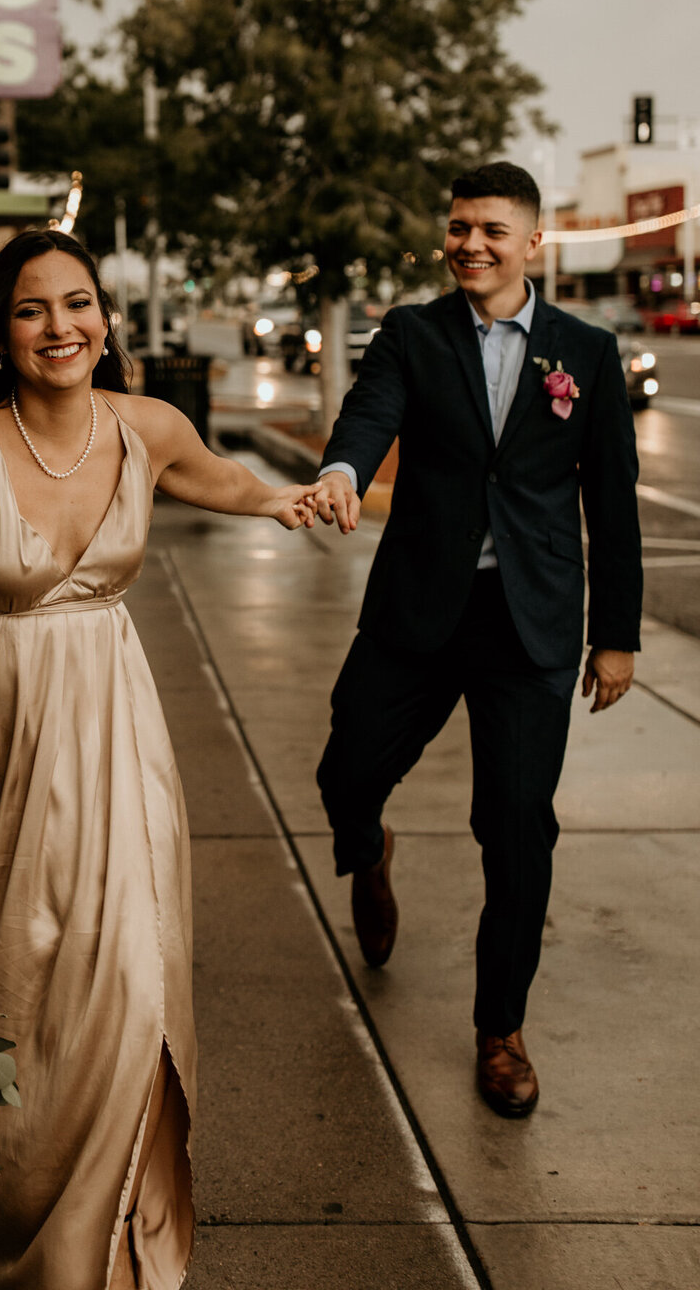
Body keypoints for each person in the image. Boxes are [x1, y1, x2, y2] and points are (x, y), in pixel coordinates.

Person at [0, 230, 321, 1289]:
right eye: (32, 309)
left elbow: (218, 475)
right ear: (0, 334)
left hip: (113, 734)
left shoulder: (144, 427)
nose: (63, 326)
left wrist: (283, 499)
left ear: (106, 318)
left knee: (126, 968)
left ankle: (94, 1237)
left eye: (80, 304)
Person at [312, 161, 641, 1118]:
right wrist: (342, 471)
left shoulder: (587, 349)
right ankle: (369, 849)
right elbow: (368, 416)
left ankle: (500, 1029)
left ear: (532, 243)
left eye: (492, 229)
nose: (470, 243)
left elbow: (610, 506)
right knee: (346, 769)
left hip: (529, 623)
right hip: (419, 609)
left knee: (515, 831)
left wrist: (614, 636)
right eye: (459, 227)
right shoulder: (413, 335)